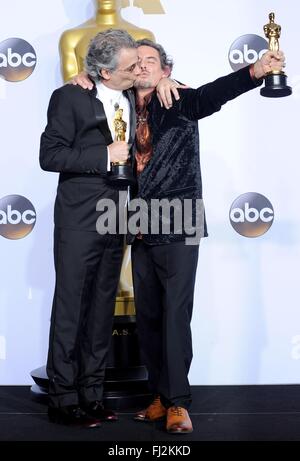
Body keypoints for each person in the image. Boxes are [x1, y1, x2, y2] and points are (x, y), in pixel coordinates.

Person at [73, 39, 285, 433]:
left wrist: (255, 72)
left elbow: (212, 95)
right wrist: (83, 76)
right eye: (135, 62)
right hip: (139, 221)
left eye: (150, 61)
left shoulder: (178, 98)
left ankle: (178, 404)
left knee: (174, 316)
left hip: (178, 219)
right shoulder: (118, 106)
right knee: (149, 315)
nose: (141, 67)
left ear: (165, 70)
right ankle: (158, 396)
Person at [39, 29, 141, 428]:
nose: (137, 71)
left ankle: (92, 394)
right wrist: (104, 155)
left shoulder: (133, 95)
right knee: (70, 309)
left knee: (101, 309)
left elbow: (157, 79)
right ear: (103, 70)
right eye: (130, 67)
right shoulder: (69, 97)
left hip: (116, 217)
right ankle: (63, 398)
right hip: (79, 218)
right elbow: (50, 154)